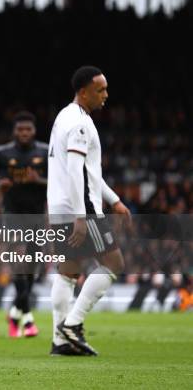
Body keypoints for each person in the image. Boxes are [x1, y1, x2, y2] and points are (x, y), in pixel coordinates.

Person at [47, 66, 131, 356]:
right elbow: (75, 171)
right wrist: (82, 216)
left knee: (68, 271)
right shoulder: (81, 123)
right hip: (81, 209)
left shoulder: (64, 116)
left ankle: (60, 339)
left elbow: (86, 172)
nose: (106, 95)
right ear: (83, 91)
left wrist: (115, 200)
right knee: (114, 263)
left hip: (61, 206)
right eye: (100, 90)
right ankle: (72, 324)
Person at [0, 111, 48, 338]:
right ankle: (29, 319)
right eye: (20, 129)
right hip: (12, 213)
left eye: (28, 129)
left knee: (31, 268)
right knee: (18, 259)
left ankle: (14, 313)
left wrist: (38, 180)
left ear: (34, 130)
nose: (24, 133)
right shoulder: (2, 153)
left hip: (37, 215)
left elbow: (58, 180)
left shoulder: (45, 151)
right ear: (14, 131)